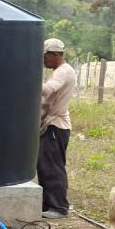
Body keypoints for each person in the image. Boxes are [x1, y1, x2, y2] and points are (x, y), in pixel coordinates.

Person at [38, 38, 76, 219]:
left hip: (56, 126)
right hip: (52, 125)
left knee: (52, 167)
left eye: (45, 56)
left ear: (54, 54)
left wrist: (28, 77)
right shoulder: (60, 71)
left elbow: (47, 90)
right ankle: (48, 204)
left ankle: (58, 207)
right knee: (45, 166)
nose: (44, 60)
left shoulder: (63, 71)